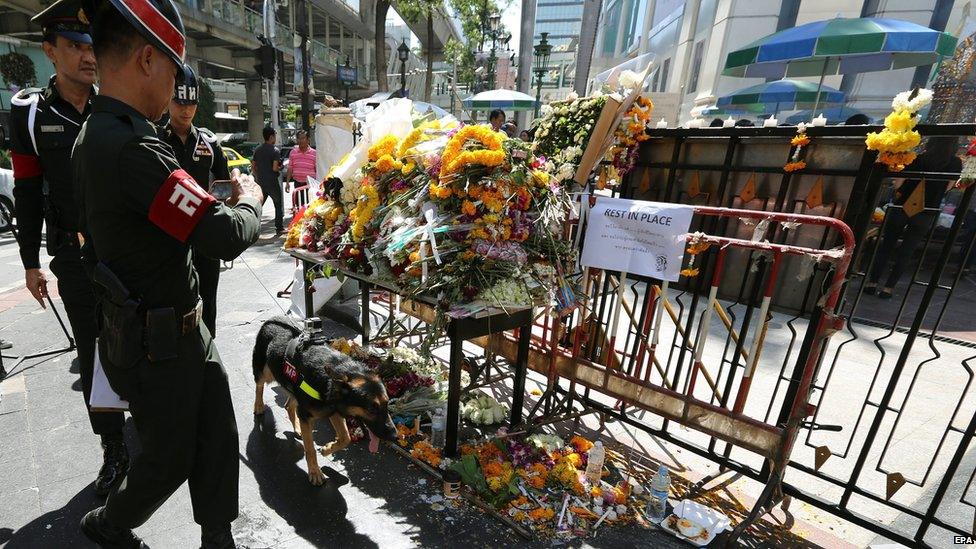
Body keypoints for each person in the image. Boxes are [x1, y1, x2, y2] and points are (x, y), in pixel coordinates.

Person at [71, 0, 263, 546]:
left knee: (217, 436)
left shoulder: (101, 132)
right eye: (177, 70)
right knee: (168, 458)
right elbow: (221, 233)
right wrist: (249, 202)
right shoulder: (131, 147)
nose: (178, 87)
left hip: (178, 329)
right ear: (148, 60)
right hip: (157, 343)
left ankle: (217, 536)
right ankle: (109, 524)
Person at [8, 0, 128, 497]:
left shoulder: (114, 106)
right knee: (94, 348)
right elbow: (28, 191)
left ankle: (146, 417)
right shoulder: (33, 114)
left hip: (124, 253)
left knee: (137, 338)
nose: (86, 56)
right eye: (75, 46)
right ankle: (113, 447)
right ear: (50, 51)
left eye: (91, 45)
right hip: (74, 260)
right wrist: (31, 265)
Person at [161, 65, 229, 337]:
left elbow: (223, 188)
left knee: (208, 302)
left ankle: (207, 352)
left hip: (204, 239)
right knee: (173, 304)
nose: (186, 109)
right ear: (168, 99)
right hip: (167, 239)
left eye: (191, 102)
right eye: (179, 101)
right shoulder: (154, 140)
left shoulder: (209, 142)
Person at [866, 136, 962, 298]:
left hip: (901, 206)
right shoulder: (955, 163)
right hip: (927, 210)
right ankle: (888, 288)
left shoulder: (916, 158)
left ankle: (872, 282)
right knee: (907, 250)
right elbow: (948, 187)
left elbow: (899, 184)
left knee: (886, 246)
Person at [252, 125, 284, 234]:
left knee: (259, 205)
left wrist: (257, 176)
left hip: (261, 182)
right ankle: (279, 228)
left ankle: (253, 225)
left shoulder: (258, 150)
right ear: (271, 137)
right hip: (272, 182)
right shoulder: (275, 151)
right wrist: (280, 167)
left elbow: (253, 167)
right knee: (278, 204)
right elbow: (275, 168)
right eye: (274, 136)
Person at [285, 129, 317, 212]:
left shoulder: (314, 153)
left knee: (310, 208)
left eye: (303, 138)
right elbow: (290, 168)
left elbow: (317, 169)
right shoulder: (293, 152)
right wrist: (287, 183)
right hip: (298, 184)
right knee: (299, 208)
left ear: (308, 139)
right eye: (299, 138)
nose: (301, 140)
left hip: (310, 185)